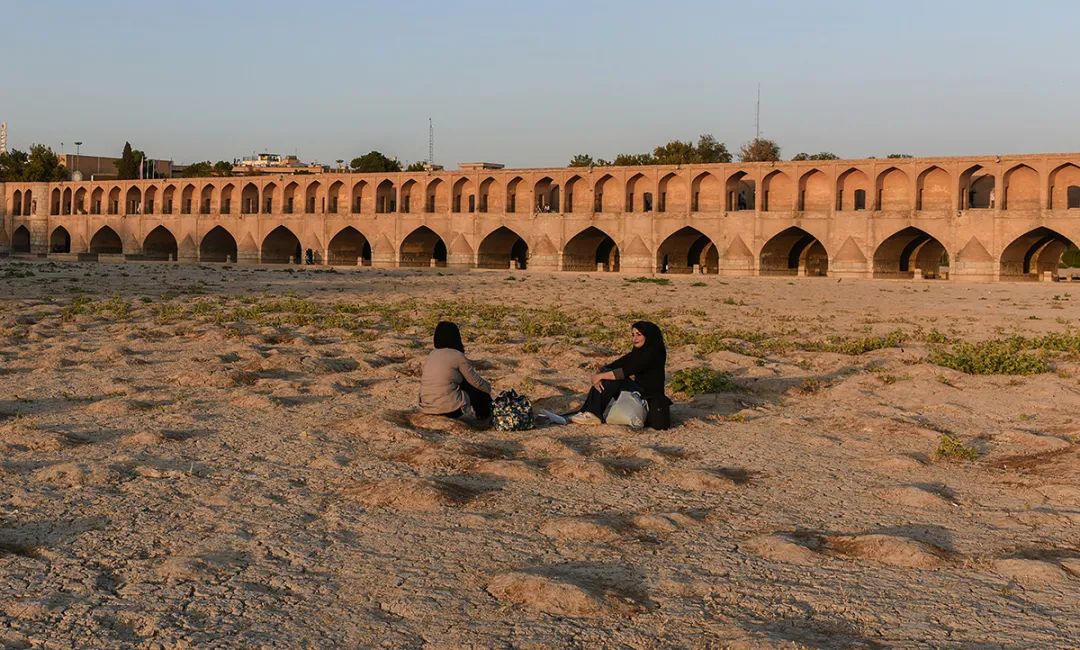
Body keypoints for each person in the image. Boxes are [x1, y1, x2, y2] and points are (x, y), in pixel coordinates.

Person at [570, 321, 672, 429]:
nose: (634, 339)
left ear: (649, 335)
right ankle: (588, 411)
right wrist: (601, 372)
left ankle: (592, 413)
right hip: (639, 391)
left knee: (611, 378)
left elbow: (625, 371)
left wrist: (600, 376)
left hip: (649, 397)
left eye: (639, 334)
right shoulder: (639, 352)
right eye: (633, 335)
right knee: (608, 374)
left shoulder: (653, 352)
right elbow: (618, 364)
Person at [419, 321, 493, 421]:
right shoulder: (457, 355)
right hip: (448, 409)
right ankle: (485, 420)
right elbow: (476, 382)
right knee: (479, 392)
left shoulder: (432, 354)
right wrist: (489, 390)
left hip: (427, 406)